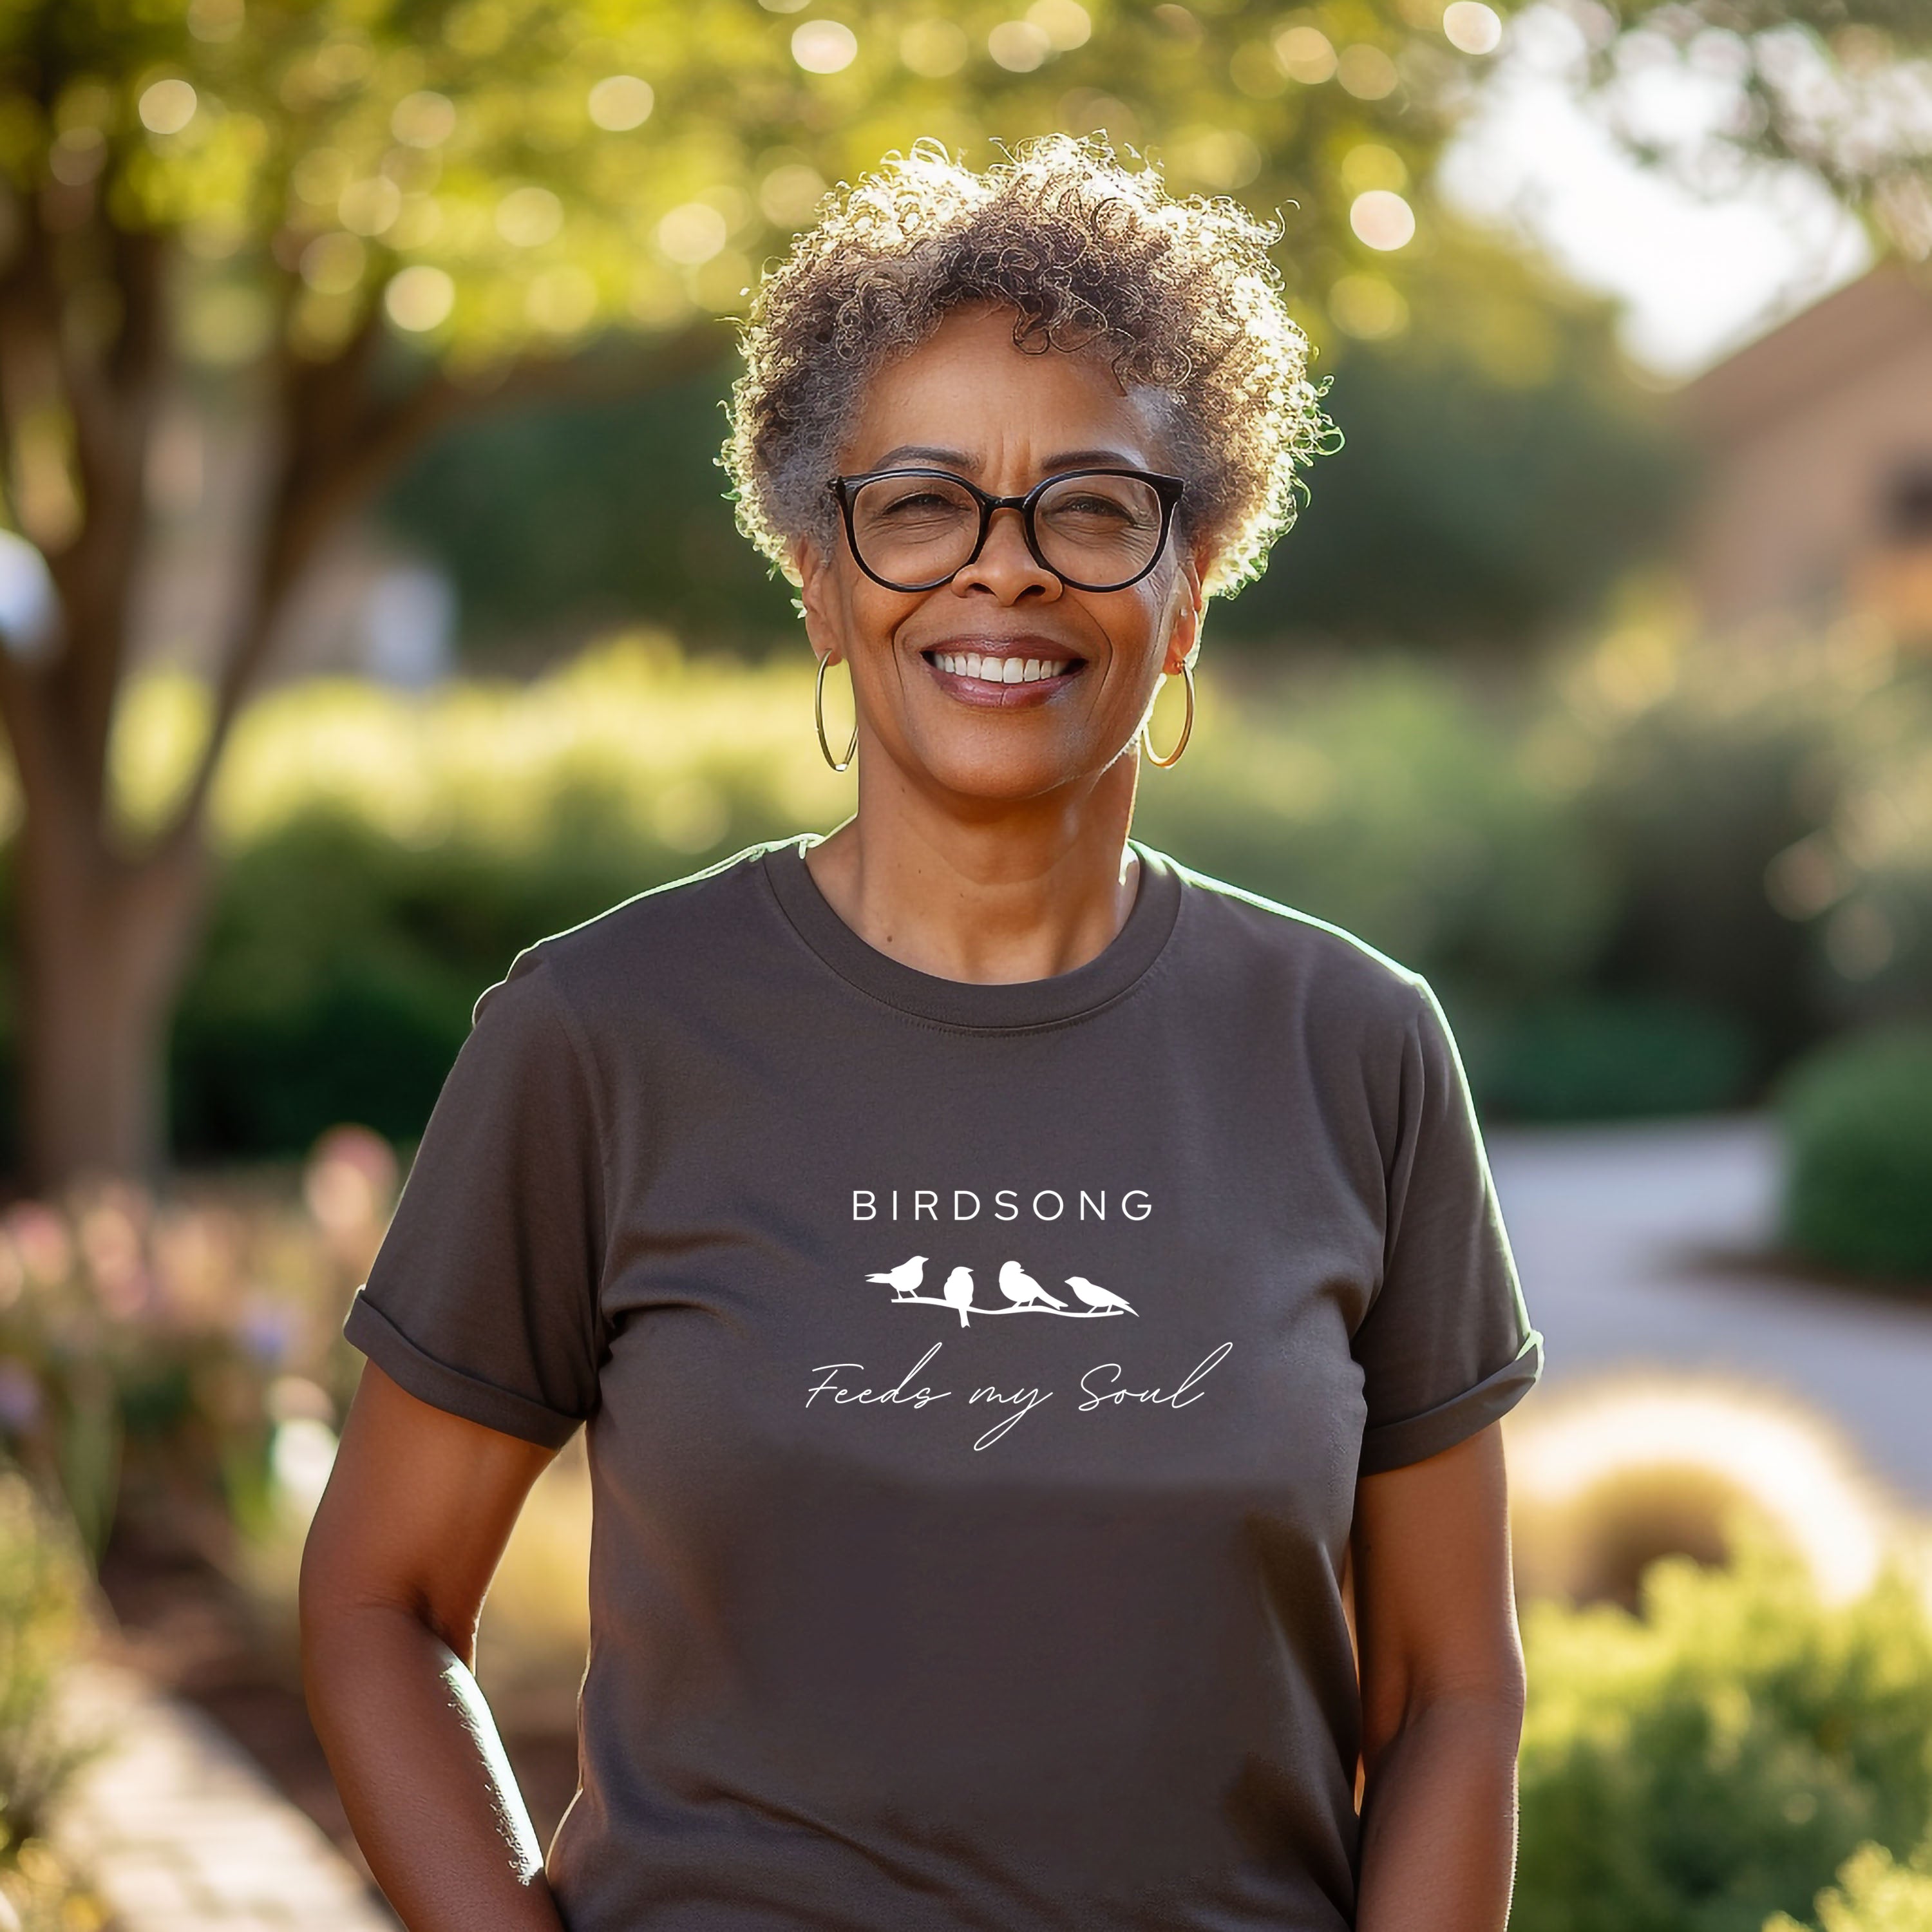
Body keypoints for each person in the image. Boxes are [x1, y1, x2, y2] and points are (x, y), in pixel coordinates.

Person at [300, 133, 1545, 1932]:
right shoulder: (602, 1036)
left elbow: (1449, 1694)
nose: (1004, 571)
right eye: (920, 503)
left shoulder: (1356, 1049)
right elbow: (377, 1601)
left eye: (1092, 508)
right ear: (821, 577)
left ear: (1189, 593)